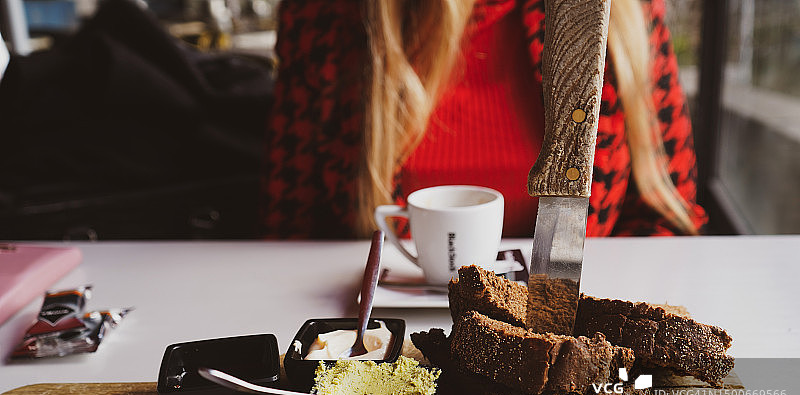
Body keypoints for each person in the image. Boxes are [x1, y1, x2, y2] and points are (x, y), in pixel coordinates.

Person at [260, 0, 707, 239]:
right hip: (383, 332)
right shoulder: (325, 14)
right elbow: (290, 225)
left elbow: (666, 212)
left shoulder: (623, 12)